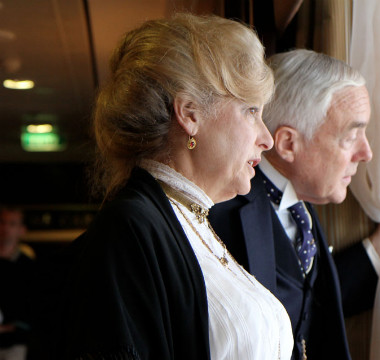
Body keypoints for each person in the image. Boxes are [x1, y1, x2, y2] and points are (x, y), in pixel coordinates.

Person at [32, 13, 293, 360]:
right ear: (190, 114)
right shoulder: (132, 226)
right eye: (251, 111)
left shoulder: (187, 218)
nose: (266, 139)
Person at [210, 49, 380, 360]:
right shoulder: (219, 215)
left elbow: (307, 301)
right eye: (349, 136)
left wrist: (378, 250)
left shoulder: (300, 198)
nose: (366, 153)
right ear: (289, 143)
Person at [0, 206, 34, 360]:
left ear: (22, 230)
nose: (6, 228)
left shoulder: (29, 267)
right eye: (2, 222)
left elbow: (33, 308)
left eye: (12, 224)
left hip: (14, 344)